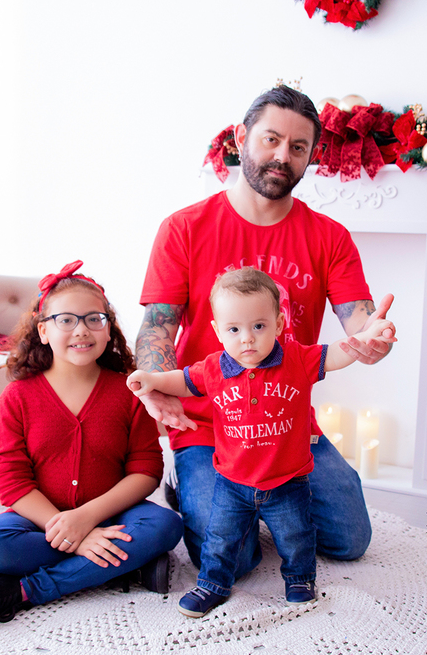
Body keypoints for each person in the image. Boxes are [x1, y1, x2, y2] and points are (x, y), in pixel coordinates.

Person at [136, 85, 395, 580]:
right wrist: (159, 388)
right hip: (210, 430)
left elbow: (359, 322)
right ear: (240, 137)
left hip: (288, 429)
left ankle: (261, 503)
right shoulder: (184, 228)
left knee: (350, 541)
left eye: (298, 147)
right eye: (271, 139)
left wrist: (374, 337)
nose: (282, 156)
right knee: (235, 561)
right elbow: (156, 327)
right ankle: (193, 486)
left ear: (310, 157)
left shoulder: (329, 238)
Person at [128, 268, 395, 617]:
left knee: (296, 534)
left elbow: (337, 353)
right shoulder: (214, 368)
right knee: (221, 539)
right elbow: (182, 380)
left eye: (259, 326)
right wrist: (151, 379)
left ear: (279, 323)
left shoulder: (297, 359)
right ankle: (212, 583)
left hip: (287, 479)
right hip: (231, 481)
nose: (247, 339)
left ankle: (299, 579)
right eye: (234, 330)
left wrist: (365, 339)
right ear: (217, 331)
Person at [0, 261, 184, 627]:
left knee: (164, 526)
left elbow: (145, 471)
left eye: (95, 319)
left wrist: (86, 519)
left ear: (109, 330)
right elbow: (11, 479)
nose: (82, 330)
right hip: (43, 521)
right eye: (66, 320)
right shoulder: (18, 398)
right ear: (43, 330)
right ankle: (124, 568)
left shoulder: (128, 393)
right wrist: (74, 534)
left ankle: (25, 591)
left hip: (114, 516)